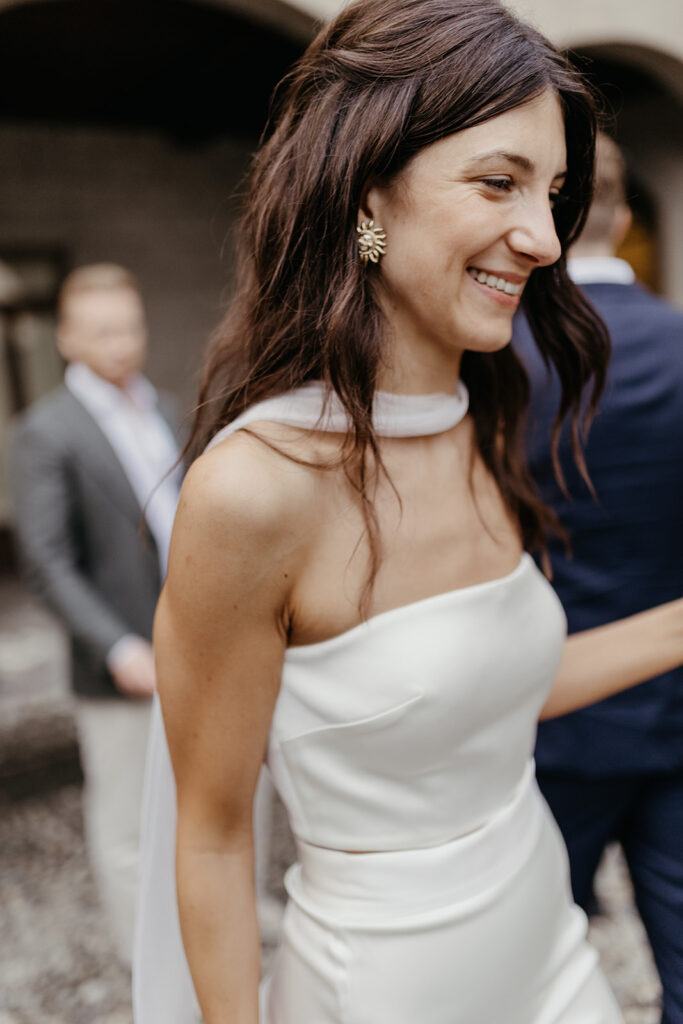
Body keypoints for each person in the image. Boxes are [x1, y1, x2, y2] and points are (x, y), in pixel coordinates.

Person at [133, 2, 683, 1021]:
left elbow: (484, 691)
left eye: (554, 193)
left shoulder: (483, 418)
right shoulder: (256, 491)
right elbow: (211, 837)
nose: (541, 238)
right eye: (497, 182)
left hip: (554, 957)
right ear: (365, 192)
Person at [514, 134, 683, 1024]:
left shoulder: (498, 359)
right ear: (620, 217)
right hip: (675, 706)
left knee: (527, 970)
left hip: (547, 718)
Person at [10, 263, 182, 965]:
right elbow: (46, 560)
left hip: (194, 641)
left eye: (131, 327)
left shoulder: (165, 407)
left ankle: (228, 919)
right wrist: (118, 647)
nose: (122, 344)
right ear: (67, 338)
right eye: (104, 331)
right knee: (128, 825)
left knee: (210, 797)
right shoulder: (44, 431)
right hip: (120, 663)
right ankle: (150, 961)